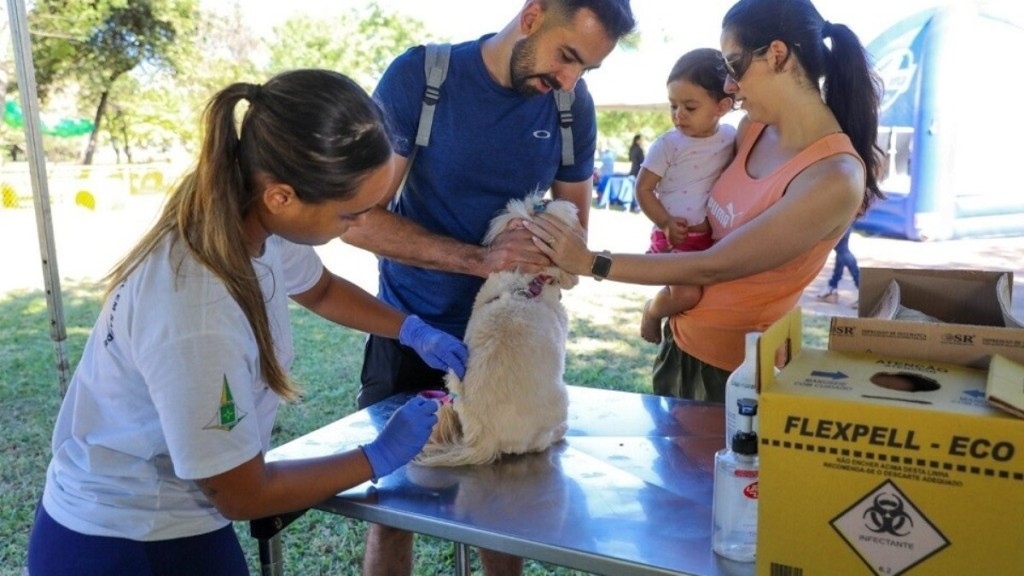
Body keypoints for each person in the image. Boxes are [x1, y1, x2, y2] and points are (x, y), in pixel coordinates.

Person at [25, 69, 469, 576]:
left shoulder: (252, 223)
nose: (361, 225)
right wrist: (377, 456)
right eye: (351, 214)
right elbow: (241, 493)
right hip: (124, 541)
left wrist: (412, 329)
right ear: (282, 196)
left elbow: (321, 289)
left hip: (182, 520)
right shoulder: (196, 312)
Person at [340, 1, 636, 574]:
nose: (569, 81)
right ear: (532, 16)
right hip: (412, 329)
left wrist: (553, 249)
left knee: (504, 514)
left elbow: (571, 228)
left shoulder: (571, 106)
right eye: (567, 56)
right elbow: (357, 219)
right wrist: (479, 258)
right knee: (392, 502)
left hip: (510, 346)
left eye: (585, 71)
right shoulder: (423, 78)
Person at [524, 0, 883, 401]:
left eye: (734, 65)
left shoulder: (834, 177)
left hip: (734, 373)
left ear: (777, 55)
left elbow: (715, 266)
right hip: (681, 342)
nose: (729, 86)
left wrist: (591, 262)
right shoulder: (753, 129)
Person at [634, 48, 736, 345]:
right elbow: (643, 188)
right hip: (674, 237)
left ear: (723, 106)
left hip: (707, 241)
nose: (678, 115)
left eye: (690, 107)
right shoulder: (668, 145)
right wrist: (665, 222)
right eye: (673, 105)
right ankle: (652, 312)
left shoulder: (731, 137)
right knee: (688, 295)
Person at [816, 224, 860, 307]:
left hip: (838, 219)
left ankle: (862, 289)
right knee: (842, 251)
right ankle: (832, 288)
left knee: (843, 250)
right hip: (846, 218)